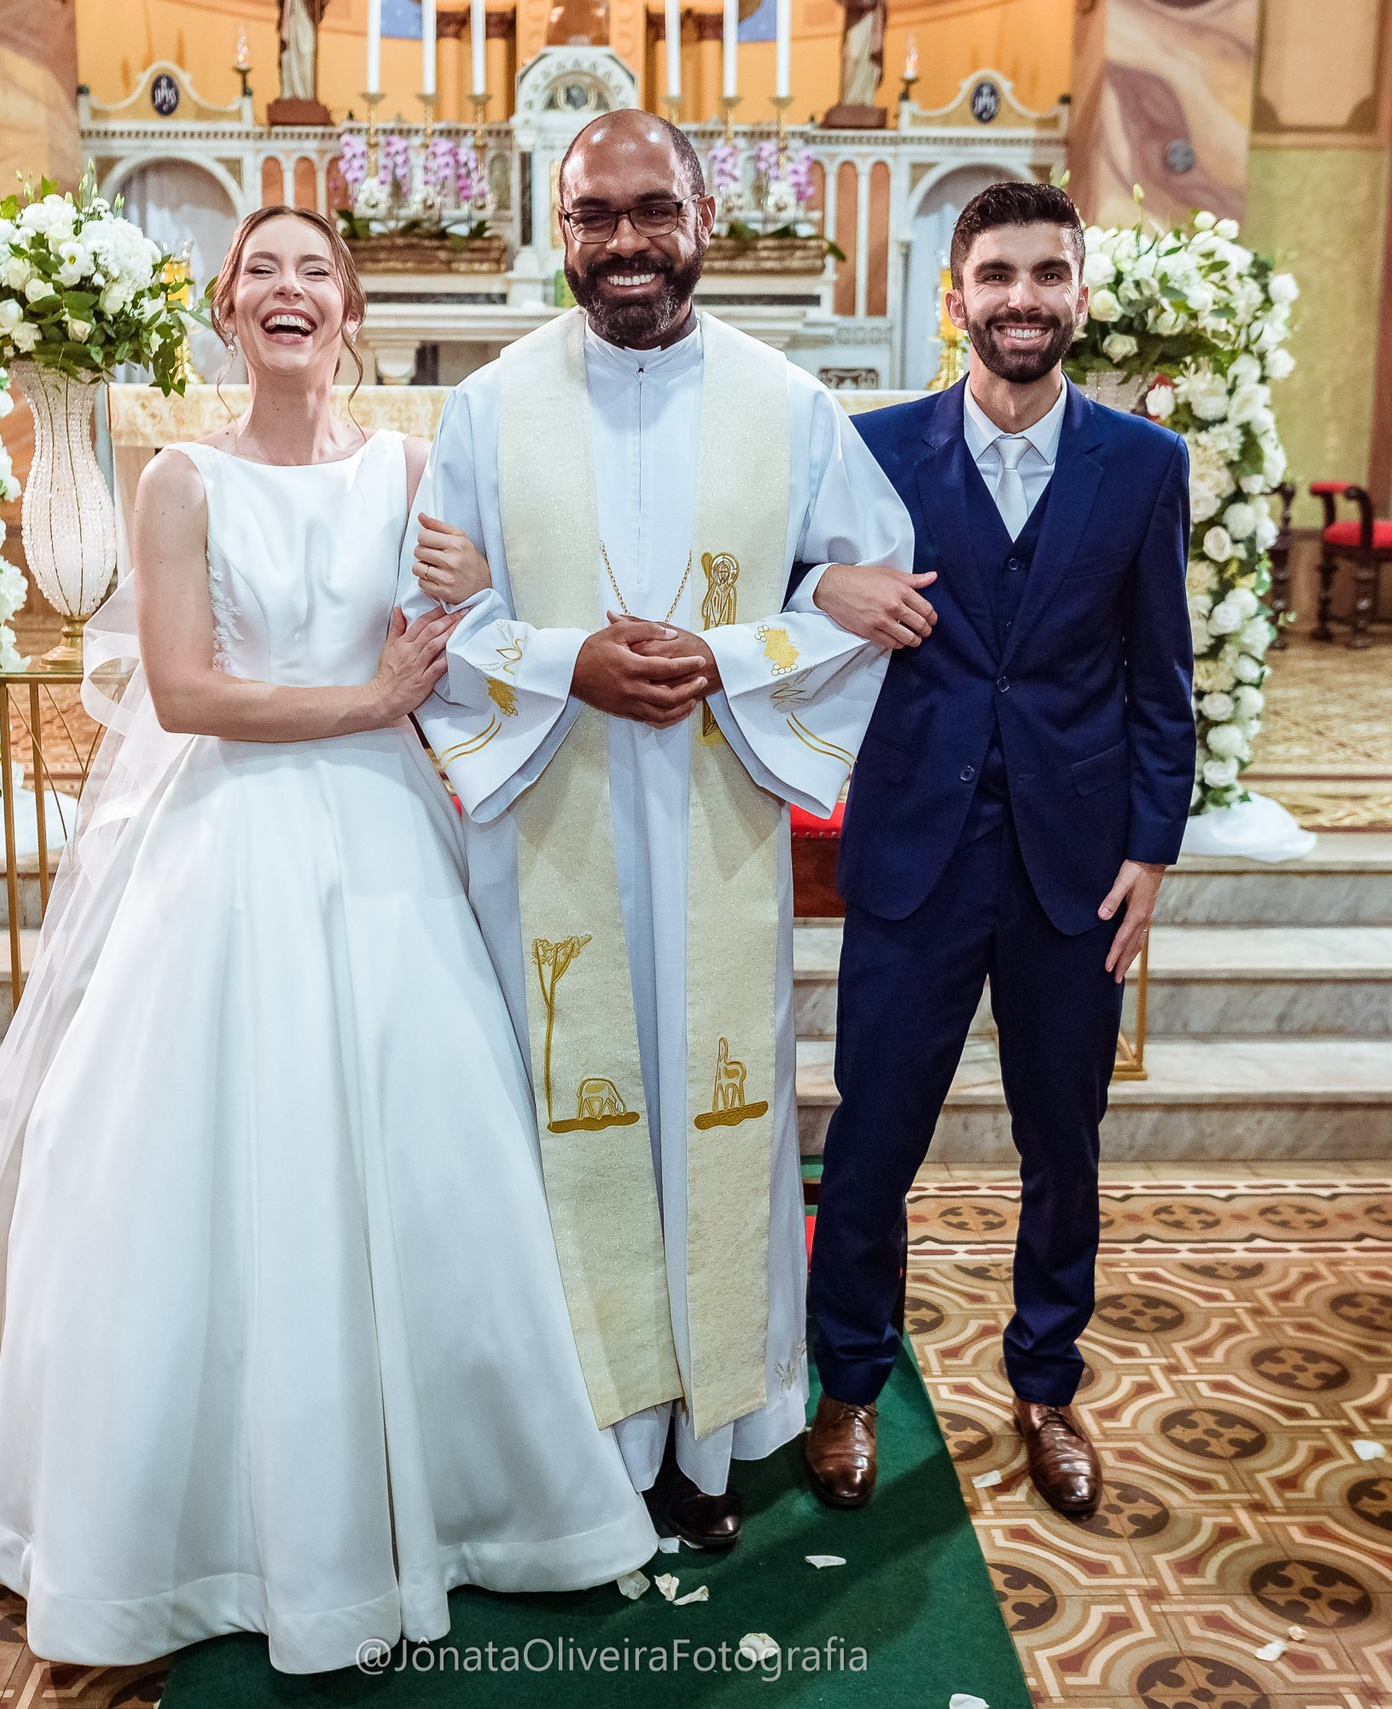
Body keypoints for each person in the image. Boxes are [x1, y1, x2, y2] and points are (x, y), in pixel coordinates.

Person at [0, 204, 656, 1673]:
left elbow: (474, 625)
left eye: (314, 271)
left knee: (429, 1145)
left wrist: (476, 607)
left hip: (389, 840)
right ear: (225, 306)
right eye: (262, 270)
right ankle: (176, 1527)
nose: (288, 291)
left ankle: (468, 1496)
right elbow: (186, 694)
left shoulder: (405, 470)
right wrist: (363, 703)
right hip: (234, 842)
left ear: (351, 307)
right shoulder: (180, 481)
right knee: (184, 1159)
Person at [400, 109, 920, 1550]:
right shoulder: (491, 406)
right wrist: (571, 664)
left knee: (719, 1112)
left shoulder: (787, 402)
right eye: (594, 215)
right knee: (572, 1111)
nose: (624, 241)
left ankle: (705, 1440)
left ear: (703, 213)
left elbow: (870, 585)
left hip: (716, 816)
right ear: (556, 229)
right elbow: (429, 615)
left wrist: (726, 662)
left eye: (651, 208)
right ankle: (584, 1435)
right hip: (555, 804)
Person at [802, 181, 1195, 1518]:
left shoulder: (1145, 467)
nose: (1022, 299)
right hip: (915, 848)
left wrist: (1154, 846)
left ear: (1079, 297)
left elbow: (1160, 676)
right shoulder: (871, 450)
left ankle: (1046, 1384)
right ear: (952, 297)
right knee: (872, 1138)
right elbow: (783, 586)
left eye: (1047, 274)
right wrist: (821, 585)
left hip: (1075, 864)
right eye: (998, 275)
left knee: (1062, 1139)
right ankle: (849, 1379)